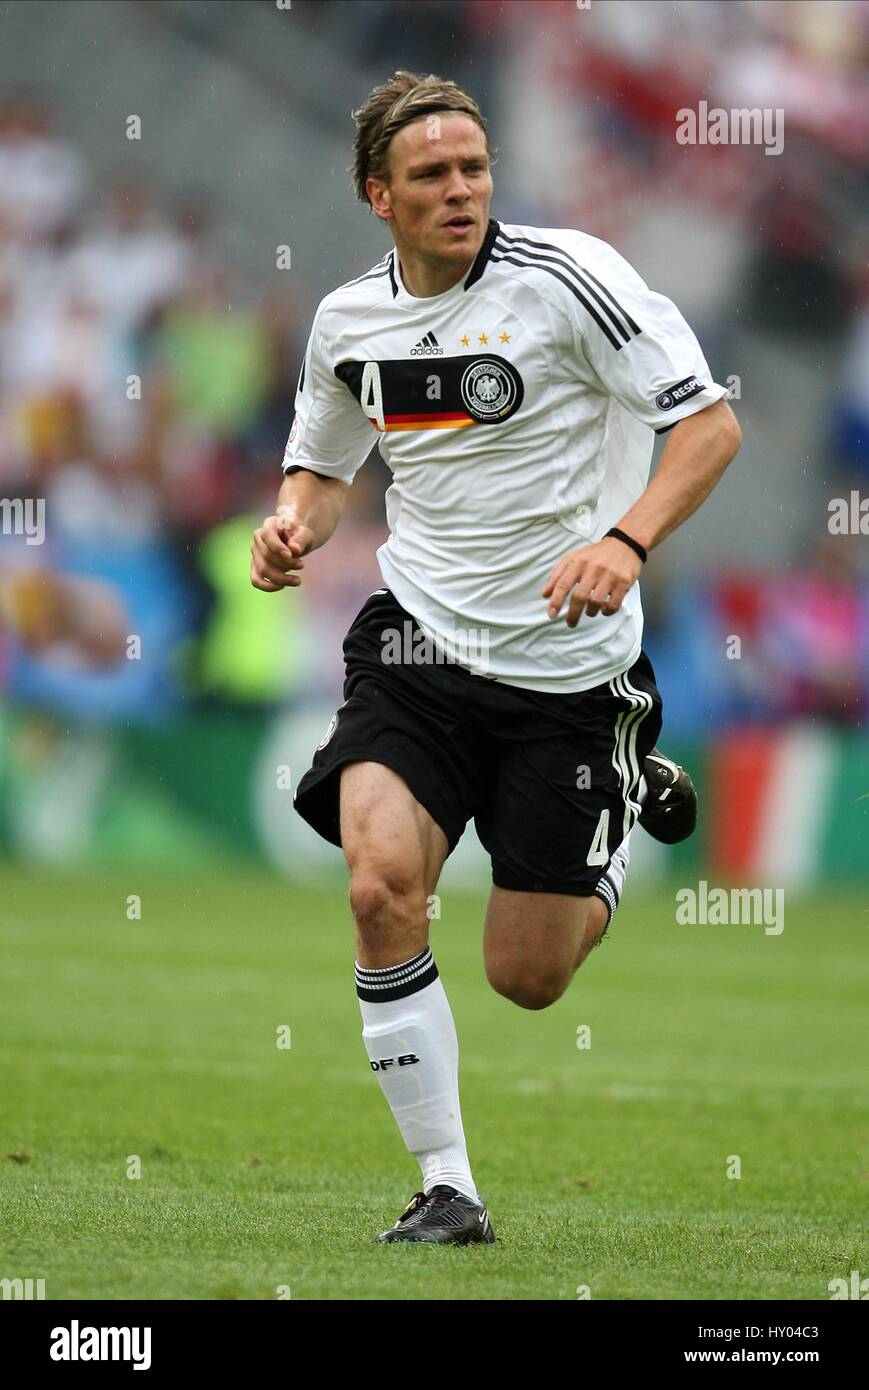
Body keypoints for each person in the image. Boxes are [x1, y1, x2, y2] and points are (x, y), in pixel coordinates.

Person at [250, 71, 741, 1245]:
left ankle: (623, 803)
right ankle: (447, 1188)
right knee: (379, 889)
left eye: (473, 167)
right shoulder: (345, 322)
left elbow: (708, 425)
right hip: (415, 644)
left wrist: (625, 540)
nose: (461, 189)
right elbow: (323, 461)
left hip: (568, 672)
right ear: (379, 195)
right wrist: (293, 525)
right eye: (431, 174)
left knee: (529, 975)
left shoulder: (571, 281)